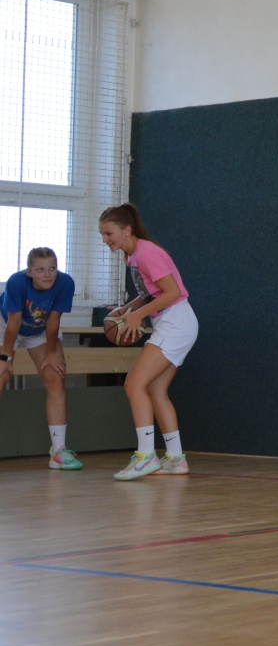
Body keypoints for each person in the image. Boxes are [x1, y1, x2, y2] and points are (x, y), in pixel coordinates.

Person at [99, 204, 199, 480]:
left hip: (175, 321)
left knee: (133, 384)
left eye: (109, 233)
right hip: (174, 322)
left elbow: (172, 292)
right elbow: (149, 294)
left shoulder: (146, 254)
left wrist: (137, 316)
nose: (105, 239)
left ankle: (146, 457)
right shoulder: (133, 256)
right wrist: (126, 310)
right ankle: (176, 459)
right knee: (155, 390)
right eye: (102, 235)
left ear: (126, 230)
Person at [0, 248, 80, 469]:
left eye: (52, 268)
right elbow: (14, 322)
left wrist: (51, 353)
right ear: (29, 272)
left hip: (40, 330)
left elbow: (53, 320)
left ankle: (59, 451)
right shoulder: (17, 282)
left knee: (54, 375)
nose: (47, 274)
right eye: (40, 270)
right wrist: (5, 358)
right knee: (1, 375)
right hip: (5, 325)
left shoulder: (65, 283)